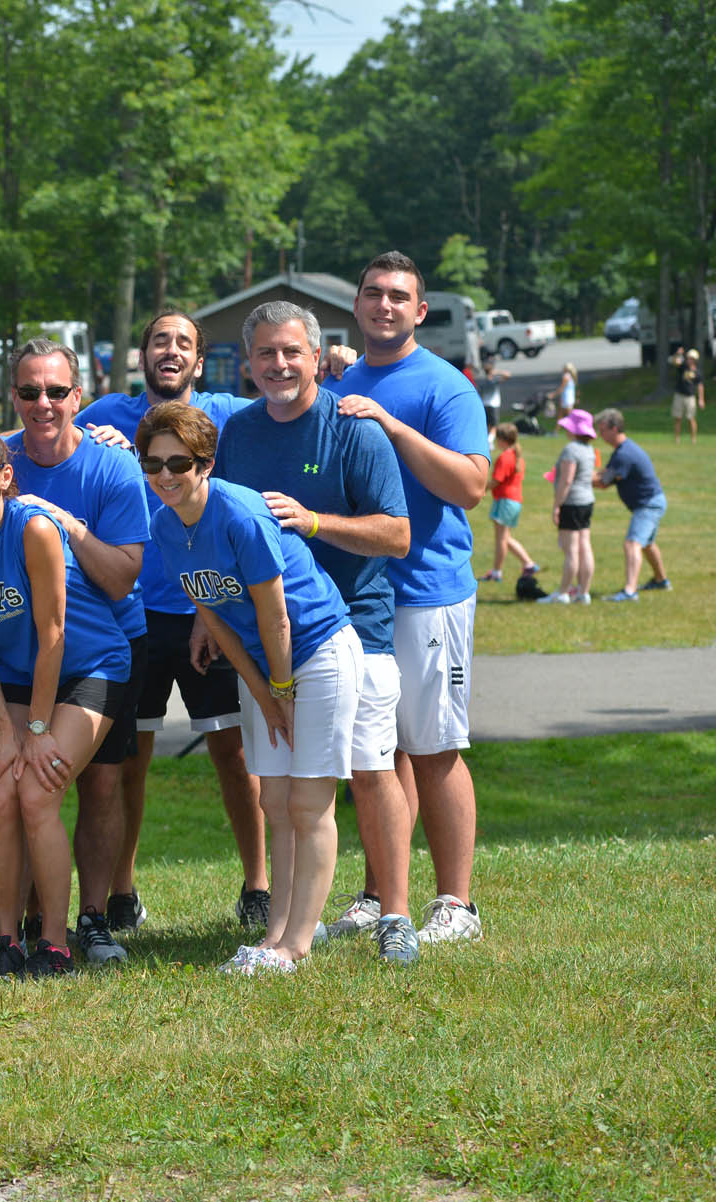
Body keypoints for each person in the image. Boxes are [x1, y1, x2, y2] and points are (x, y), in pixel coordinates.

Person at [212, 302, 417, 964]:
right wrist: (206, 616)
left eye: (292, 352)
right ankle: (292, 927)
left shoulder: (352, 428)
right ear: (249, 363)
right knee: (285, 787)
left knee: (369, 767)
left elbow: (396, 532)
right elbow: (219, 529)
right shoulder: (238, 435)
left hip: (356, 623)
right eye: (266, 354)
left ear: (316, 353)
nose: (279, 365)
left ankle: (397, 915)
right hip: (272, 636)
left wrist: (315, 521)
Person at [140, 402, 363, 974]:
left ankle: (298, 944)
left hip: (316, 651)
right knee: (274, 800)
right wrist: (264, 695)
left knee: (309, 802)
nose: (165, 475)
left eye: (179, 463)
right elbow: (213, 615)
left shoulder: (240, 515)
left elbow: (277, 617)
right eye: (154, 462)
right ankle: (273, 937)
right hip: (267, 668)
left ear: (206, 463)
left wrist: (283, 689)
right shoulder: (165, 525)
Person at [75, 312, 265, 931]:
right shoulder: (105, 414)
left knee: (233, 752)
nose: (171, 350)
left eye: (184, 342)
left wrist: (339, 367)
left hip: (212, 611)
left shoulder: (228, 412)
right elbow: (42, 439)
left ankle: (258, 886)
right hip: (135, 615)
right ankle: (124, 893)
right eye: (160, 340)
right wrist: (91, 440)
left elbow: (293, 396)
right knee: (131, 758)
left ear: (200, 361)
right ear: (142, 356)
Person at [0, 426, 130, 979]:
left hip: (88, 664)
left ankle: (54, 944)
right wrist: (2, 724)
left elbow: (54, 634)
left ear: (5, 477)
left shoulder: (32, 528)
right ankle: (5, 939)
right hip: (15, 673)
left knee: (36, 792)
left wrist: (33, 729)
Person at [333, 251, 489, 944]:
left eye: (399, 296)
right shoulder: (344, 379)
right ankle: (379, 893)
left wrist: (395, 429)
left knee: (435, 748)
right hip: (362, 597)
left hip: (428, 595)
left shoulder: (444, 387)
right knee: (376, 752)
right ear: (359, 305)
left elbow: (470, 487)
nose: (384, 305)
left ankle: (456, 905)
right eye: (373, 294)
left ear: (420, 311)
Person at [0, 336, 148, 964]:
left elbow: (120, 577)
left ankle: (92, 916)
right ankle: (28, 921)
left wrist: (62, 521)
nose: (43, 403)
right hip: (21, 654)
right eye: (29, 391)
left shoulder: (113, 467)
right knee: (18, 783)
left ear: (77, 396)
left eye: (56, 391)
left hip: (102, 647)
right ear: (14, 396)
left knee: (103, 786)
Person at [592, 408, 670, 600]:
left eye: (603, 430)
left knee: (632, 543)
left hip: (648, 504)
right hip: (652, 501)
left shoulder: (624, 454)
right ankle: (661, 581)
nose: (600, 435)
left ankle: (629, 591)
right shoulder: (623, 450)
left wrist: (572, 479)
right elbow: (606, 473)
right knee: (647, 544)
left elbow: (603, 483)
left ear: (615, 428)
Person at [539, 408, 597, 605]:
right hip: (587, 501)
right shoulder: (589, 450)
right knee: (585, 547)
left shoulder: (571, 450)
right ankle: (584, 592)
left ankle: (563, 593)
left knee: (571, 550)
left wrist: (557, 505)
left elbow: (566, 481)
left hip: (572, 503)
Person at [482, 423, 539, 582]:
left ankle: (498, 571)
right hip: (514, 501)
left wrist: (481, 489)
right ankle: (527, 564)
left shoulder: (505, 457)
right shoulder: (517, 456)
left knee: (501, 538)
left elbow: (496, 480)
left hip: (505, 501)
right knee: (505, 537)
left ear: (502, 440)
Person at [669, 347, 702, 443]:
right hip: (679, 395)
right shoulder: (682, 366)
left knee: (691, 418)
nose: (689, 360)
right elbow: (674, 361)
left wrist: (701, 399)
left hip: (690, 396)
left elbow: (700, 385)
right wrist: (678, 354)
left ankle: (693, 439)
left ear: (695, 360)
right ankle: (677, 439)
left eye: (692, 358)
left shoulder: (697, 372)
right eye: (688, 358)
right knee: (678, 418)